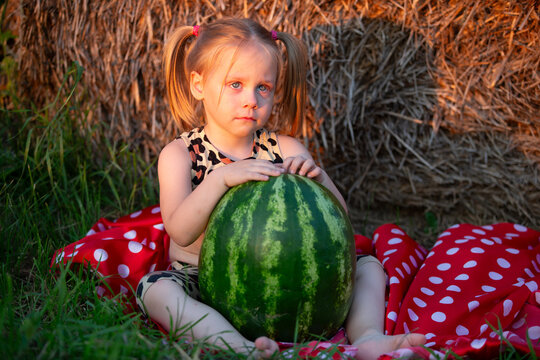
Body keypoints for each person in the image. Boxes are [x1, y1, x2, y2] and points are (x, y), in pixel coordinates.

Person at [135, 17, 426, 359]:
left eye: (263, 87)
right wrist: (221, 178)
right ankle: (238, 346)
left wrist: (317, 177)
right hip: (204, 281)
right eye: (235, 84)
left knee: (368, 267)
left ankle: (366, 338)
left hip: (290, 280)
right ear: (198, 85)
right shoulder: (180, 154)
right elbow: (180, 231)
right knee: (155, 290)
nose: (251, 100)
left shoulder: (285, 149)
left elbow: (339, 224)